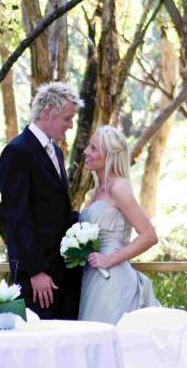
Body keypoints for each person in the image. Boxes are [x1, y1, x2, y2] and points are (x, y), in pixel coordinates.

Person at [0, 82, 84, 320]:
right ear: (48, 112)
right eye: (67, 118)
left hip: (64, 273)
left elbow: (57, 210)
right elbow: (17, 218)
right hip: (39, 279)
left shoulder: (55, 151)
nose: (71, 125)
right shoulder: (17, 152)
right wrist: (36, 272)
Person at [78, 125, 160, 324]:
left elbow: (149, 235)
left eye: (94, 148)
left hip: (111, 279)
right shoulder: (97, 191)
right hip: (93, 276)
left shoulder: (118, 187)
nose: (86, 152)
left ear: (109, 156)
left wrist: (109, 260)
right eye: (89, 146)